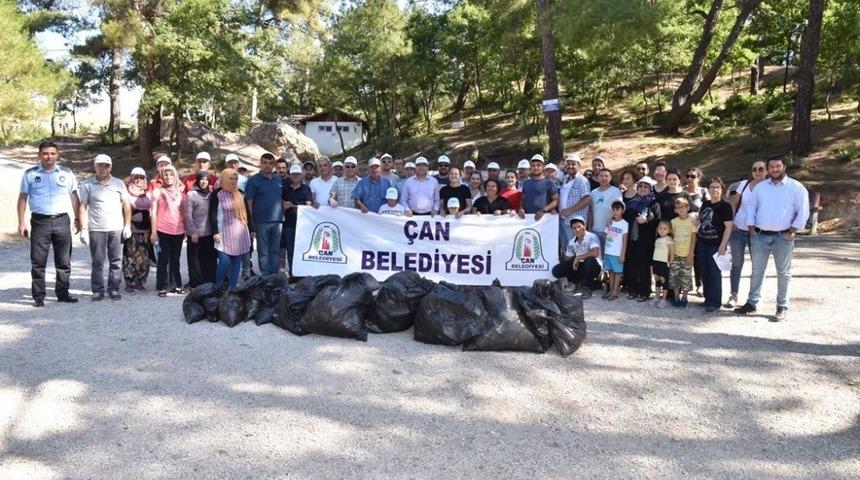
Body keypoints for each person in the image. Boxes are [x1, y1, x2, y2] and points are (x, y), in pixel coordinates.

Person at [735, 155, 809, 321]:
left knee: (783, 273)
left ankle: (782, 306)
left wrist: (792, 230)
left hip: (783, 237)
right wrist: (751, 227)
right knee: (756, 271)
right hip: (760, 236)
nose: (775, 169)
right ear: (768, 169)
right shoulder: (761, 188)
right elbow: (751, 208)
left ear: (784, 167)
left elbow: (803, 212)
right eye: (772, 167)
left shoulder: (796, 187)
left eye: (778, 166)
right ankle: (752, 303)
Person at [17, 141, 81, 306]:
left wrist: (78, 218)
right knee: (38, 262)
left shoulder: (66, 173)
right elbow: (23, 198)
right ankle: (39, 297)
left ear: (57, 155)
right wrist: (21, 222)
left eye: (52, 153)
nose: (49, 156)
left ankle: (63, 293)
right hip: (40, 222)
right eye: (45, 153)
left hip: (62, 220)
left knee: (64, 261)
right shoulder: (30, 174)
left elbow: (74, 196)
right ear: (39, 155)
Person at [78, 154, 132, 301]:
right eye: (100, 165)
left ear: (110, 167)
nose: (103, 168)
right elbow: (82, 207)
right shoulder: (87, 185)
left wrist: (127, 225)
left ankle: (113, 289)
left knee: (116, 261)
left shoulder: (119, 183)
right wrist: (83, 229)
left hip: (116, 228)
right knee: (98, 261)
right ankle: (98, 290)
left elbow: (126, 205)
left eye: (106, 165)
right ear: (95, 166)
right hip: (97, 228)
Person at [725, 160, 767, 308]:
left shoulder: (769, 188)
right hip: (738, 230)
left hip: (757, 232)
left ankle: (754, 297)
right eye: (754, 169)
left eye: (761, 169)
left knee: (758, 265)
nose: (757, 171)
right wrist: (732, 221)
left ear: (766, 171)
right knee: (736, 263)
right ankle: (733, 294)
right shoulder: (744, 185)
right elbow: (733, 204)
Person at [695, 177, 733, 313]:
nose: (714, 189)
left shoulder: (725, 206)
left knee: (714, 273)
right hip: (702, 243)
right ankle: (707, 298)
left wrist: (723, 245)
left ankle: (714, 302)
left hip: (715, 245)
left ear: (722, 190)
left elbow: (728, 227)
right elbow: (699, 219)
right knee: (704, 272)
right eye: (712, 187)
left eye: (717, 187)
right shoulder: (705, 203)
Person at [210, 169, 252, 288]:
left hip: (239, 232)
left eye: (235, 179)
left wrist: (251, 229)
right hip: (223, 232)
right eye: (230, 178)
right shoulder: (217, 194)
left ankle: (232, 288)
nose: (233, 181)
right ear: (224, 178)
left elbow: (247, 213)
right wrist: (215, 232)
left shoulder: (240, 193)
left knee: (236, 261)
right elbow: (212, 214)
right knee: (224, 261)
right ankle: (217, 287)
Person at [245, 152, 284, 276]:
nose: (267, 166)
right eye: (265, 163)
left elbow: (278, 197)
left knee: (275, 251)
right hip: (261, 221)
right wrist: (252, 221)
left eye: (270, 163)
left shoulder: (278, 179)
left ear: (273, 165)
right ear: (260, 164)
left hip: (278, 221)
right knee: (263, 252)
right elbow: (249, 202)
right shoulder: (253, 180)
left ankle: (275, 276)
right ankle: (266, 277)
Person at [150, 165, 186, 297]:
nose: (169, 177)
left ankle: (176, 284)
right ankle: (162, 286)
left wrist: (186, 230)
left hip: (178, 230)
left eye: (171, 175)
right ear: (162, 177)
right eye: (166, 175)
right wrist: (153, 232)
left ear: (175, 176)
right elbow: (153, 213)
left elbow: (183, 213)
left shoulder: (182, 193)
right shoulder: (157, 192)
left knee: (175, 259)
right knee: (163, 258)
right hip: (162, 229)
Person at [623, 179, 661, 301]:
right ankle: (633, 289)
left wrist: (647, 221)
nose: (643, 188)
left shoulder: (654, 204)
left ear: (650, 189)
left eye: (646, 187)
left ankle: (644, 292)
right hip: (632, 239)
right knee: (632, 265)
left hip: (646, 240)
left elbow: (658, 221)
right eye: (640, 186)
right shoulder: (631, 203)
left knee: (644, 267)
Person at [551, 216, 601, 298]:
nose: (577, 230)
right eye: (574, 228)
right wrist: (567, 264)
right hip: (580, 266)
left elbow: (595, 252)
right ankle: (575, 283)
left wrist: (578, 258)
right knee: (557, 270)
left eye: (579, 227)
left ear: (584, 226)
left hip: (594, 266)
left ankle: (587, 288)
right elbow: (568, 258)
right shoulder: (572, 241)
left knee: (588, 262)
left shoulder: (592, 237)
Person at [183, 171, 217, 287]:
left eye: (206, 180)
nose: (204, 182)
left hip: (209, 233)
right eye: (202, 179)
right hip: (195, 234)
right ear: (197, 180)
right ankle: (196, 284)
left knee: (209, 259)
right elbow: (188, 215)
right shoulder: (191, 195)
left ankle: (210, 283)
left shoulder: (211, 194)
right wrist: (193, 232)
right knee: (195, 261)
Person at [123, 167, 153, 293]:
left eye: (141, 177)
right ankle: (130, 282)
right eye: (136, 177)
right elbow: (125, 209)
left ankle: (141, 281)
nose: (139, 180)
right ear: (132, 178)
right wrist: (127, 226)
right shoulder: (126, 192)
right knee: (131, 256)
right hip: (133, 230)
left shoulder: (148, 192)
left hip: (146, 231)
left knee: (144, 257)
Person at [281, 164, 313, 277]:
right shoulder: (285, 188)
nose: (295, 176)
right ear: (290, 175)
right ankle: (293, 274)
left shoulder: (306, 189)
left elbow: (309, 205)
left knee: (302, 250)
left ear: (301, 175)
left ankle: (302, 274)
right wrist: (284, 204)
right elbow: (280, 201)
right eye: (293, 174)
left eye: (298, 174)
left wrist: (301, 206)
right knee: (290, 251)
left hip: (303, 225)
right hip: (289, 224)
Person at [557, 154, 591, 254]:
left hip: (575, 221)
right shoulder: (564, 179)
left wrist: (570, 210)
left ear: (579, 166)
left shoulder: (582, 180)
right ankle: (568, 267)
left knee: (576, 248)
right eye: (568, 164)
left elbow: (586, 199)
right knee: (566, 247)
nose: (570, 166)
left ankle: (576, 268)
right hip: (563, 219)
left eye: (573, 164)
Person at [669, 197, 696, 309]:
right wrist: (671, 254)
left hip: (686, 254)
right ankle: (676, 297)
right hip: (675, 254)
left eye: (684, 207)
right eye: (678, 208)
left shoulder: (692, 221)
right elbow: (671, 238)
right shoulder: (673, 222)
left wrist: (691, 254)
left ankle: (685, 297)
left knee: (685, 277)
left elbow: (694, 238)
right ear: (675, 210)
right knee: (675, 276)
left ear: (688, 208)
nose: (681, 209)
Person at [589, 168, 623, 248]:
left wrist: (612, 219)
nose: (604, 178)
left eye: (606, 176)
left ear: (610, 178)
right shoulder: (593, 193)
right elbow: (590, 211)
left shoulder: (616, 191)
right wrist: (590, 228)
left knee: (609, 255)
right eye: (601, 176)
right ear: (597, 178)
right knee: (596, 257)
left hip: (610, 230)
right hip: (595, 230)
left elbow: (619, 210)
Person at [518, 154, 559, 220]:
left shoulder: (549, 183)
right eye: (533, 165)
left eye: (538, 165)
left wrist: (543, 210)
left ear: (543, 167)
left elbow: (556, 201)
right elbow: (522, 199)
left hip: (544, 220)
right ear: (530, 167)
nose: (535, 167)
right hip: (527, 220)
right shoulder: (526, 183)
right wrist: (521, 209)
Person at [603, 201, 627, 301]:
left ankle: (615, 292)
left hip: (617, 253)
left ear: (622, 210)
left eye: (618, 210)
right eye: (614, 210)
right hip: (608, 251)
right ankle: (611, 290)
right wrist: (608, 225)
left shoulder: (624, 224)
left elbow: (625, 241)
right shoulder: (610, 222)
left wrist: (622, 254)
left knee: (617, 273)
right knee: (611, 272)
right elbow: (606, 235)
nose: (615, 212)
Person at [650, 220, 674, 308]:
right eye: (660, 228)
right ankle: (656, 297)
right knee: (657, 281)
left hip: (664, 264)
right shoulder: (657, 239)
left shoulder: (668, 239)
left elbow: (672, 252)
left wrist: (670, 262)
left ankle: (663, 299)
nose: (662, 230)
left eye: (664, 229)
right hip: (656, 262)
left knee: (664, 282)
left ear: (669, 230)